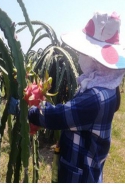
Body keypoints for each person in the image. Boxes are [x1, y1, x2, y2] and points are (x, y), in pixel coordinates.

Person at [27, 12, 125, 182]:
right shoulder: (109, 88)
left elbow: (60, 116)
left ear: (96, 60)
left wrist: (30, 112)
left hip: (78, 176)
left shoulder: (95, 99)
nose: (82, 57)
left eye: (86, 54)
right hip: (90, 165)